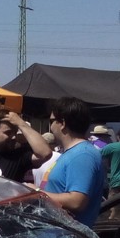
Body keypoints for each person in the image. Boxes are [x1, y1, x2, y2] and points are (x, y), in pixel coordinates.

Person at [42, 97, 106, 227]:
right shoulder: (74, 153)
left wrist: (37, 193)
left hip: (68, 237)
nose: (50, 126)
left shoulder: (82, 155)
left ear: (63, 123)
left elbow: (77, 201)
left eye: (52, 121)